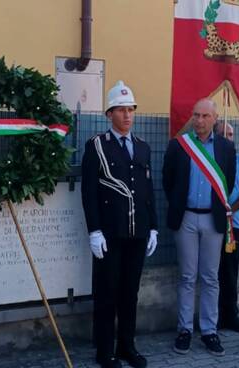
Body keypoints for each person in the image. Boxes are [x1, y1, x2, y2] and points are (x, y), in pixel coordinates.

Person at [81, 80, 158, 368]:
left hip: (137, 233)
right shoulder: (97, 146)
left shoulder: (142, 147)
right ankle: (105, 351)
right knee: (107, 294)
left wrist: (153, 227)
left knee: (130, 293)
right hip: (109, 234)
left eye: (131, 110)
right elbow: (89, 192)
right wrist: (94, 231)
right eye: (121, 110)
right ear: (109, 113)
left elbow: (148, 191)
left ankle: (127, 346)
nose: (127, 115)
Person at [163, 99, 236, 357]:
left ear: (215, 118)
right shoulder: (179, 145)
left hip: (212, 220)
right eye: (196, 115)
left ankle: (209, 331)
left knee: (210, 277)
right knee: (186, 276)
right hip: (186, 219)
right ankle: (184, 329)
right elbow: (167, 180)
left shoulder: (227, 148)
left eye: (205, 116)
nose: (200, 120)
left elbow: (228, 179)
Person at [213, 122, 239, 334]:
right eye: (223, 134)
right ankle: (213, 317)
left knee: (230, 271)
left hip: (233, 225)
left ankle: (231, 315)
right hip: (210, 224)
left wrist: (230, 210)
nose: (228, 138)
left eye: (231, 134)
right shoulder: (208, 160)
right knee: (212, 273)